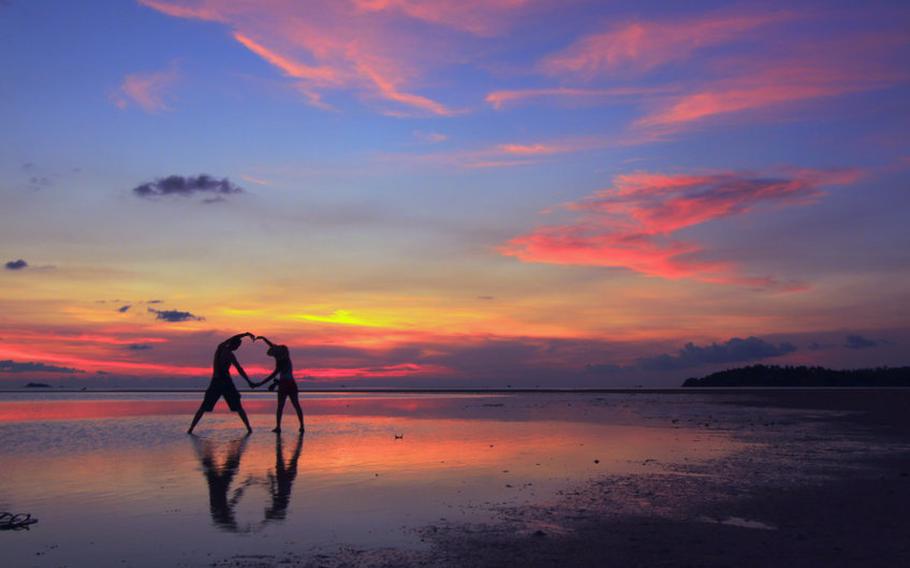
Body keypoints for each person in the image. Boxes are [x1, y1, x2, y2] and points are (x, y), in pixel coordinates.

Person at [188, 332, 256, 434]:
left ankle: (191, 429)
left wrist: (245, 334)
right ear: (234, 345)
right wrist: (249, 381)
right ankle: (249, 428)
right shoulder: (229, 354)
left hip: (217, 381)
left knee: (205, 407)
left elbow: (232, 338)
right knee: (237, 407)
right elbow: (239, 369)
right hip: (223, 382)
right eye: (237, 346)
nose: (237, 348)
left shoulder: (220, 348)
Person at [251, 336, 304, 433]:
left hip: (285, 384)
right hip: (290, 383)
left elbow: (272, 375)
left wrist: (260, 384)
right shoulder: (286, 356)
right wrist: (263, 339)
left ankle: (279, 427)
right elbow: (272, 346)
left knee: (281, 406)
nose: (273, 356)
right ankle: (301, 426)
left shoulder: (281, 362)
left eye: (273, 355)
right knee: (295, 405)